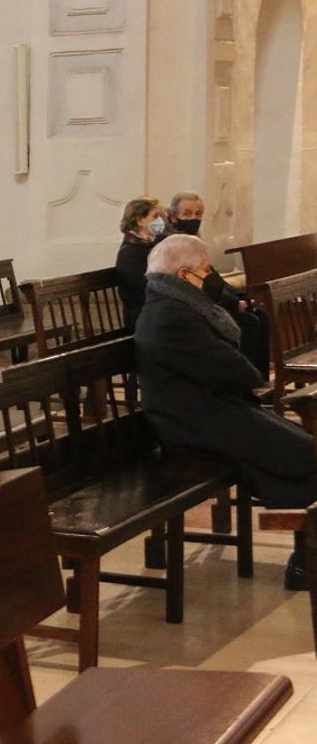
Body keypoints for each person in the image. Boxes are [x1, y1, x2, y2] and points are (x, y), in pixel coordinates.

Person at [134, 235, 317, 587]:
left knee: (302, 444)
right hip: (189, 425)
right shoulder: (170, 315)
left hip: (210, 409)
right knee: (300, 452)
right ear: (184, 275)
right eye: (207, 270)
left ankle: (306, 556)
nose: (213, 276)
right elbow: (235, 370)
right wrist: (246, 369)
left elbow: (233, 368)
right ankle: (303, 563)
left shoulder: (178, 304)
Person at [167, 190, 270, 375]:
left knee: (260, 315)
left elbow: (213, 278)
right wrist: (233, 303)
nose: (193, 218)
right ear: (174, 217)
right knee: (248, 322)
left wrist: (238, 297)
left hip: (210, 301)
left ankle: (259, 379)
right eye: (187, 213)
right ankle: (243, 381)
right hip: (194, 308)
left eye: (198, 214)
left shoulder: (196, 242)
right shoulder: (174, 246)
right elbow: (198, 284)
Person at [114, 196, 166, 332]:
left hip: (155, 309)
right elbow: (141, 288)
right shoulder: (130, 252)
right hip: (141, 316)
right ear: (140, 220)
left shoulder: (154, 243)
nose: (160, 221)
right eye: (155, 217)